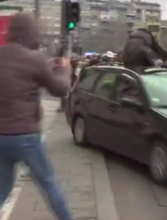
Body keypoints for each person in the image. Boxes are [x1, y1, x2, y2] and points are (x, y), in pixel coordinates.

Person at [0, 14, 73, 220]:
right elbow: (60, 89)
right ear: (30, 33)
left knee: (2, 187)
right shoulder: (34, 60)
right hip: (26, 136)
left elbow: (16, 73)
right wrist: (65, 70)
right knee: (48, 183)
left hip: (0, 137)